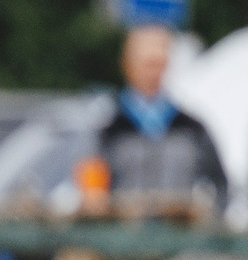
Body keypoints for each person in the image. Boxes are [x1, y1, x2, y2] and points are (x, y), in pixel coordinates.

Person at [92, 24, 225, 202]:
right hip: (125, 218)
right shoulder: (107, 130)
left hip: (179, 218)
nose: (153, 73)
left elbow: (221, 184)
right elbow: (92, 189)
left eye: (159, 64)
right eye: (147, 64)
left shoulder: (192, 129)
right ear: (127, 65)